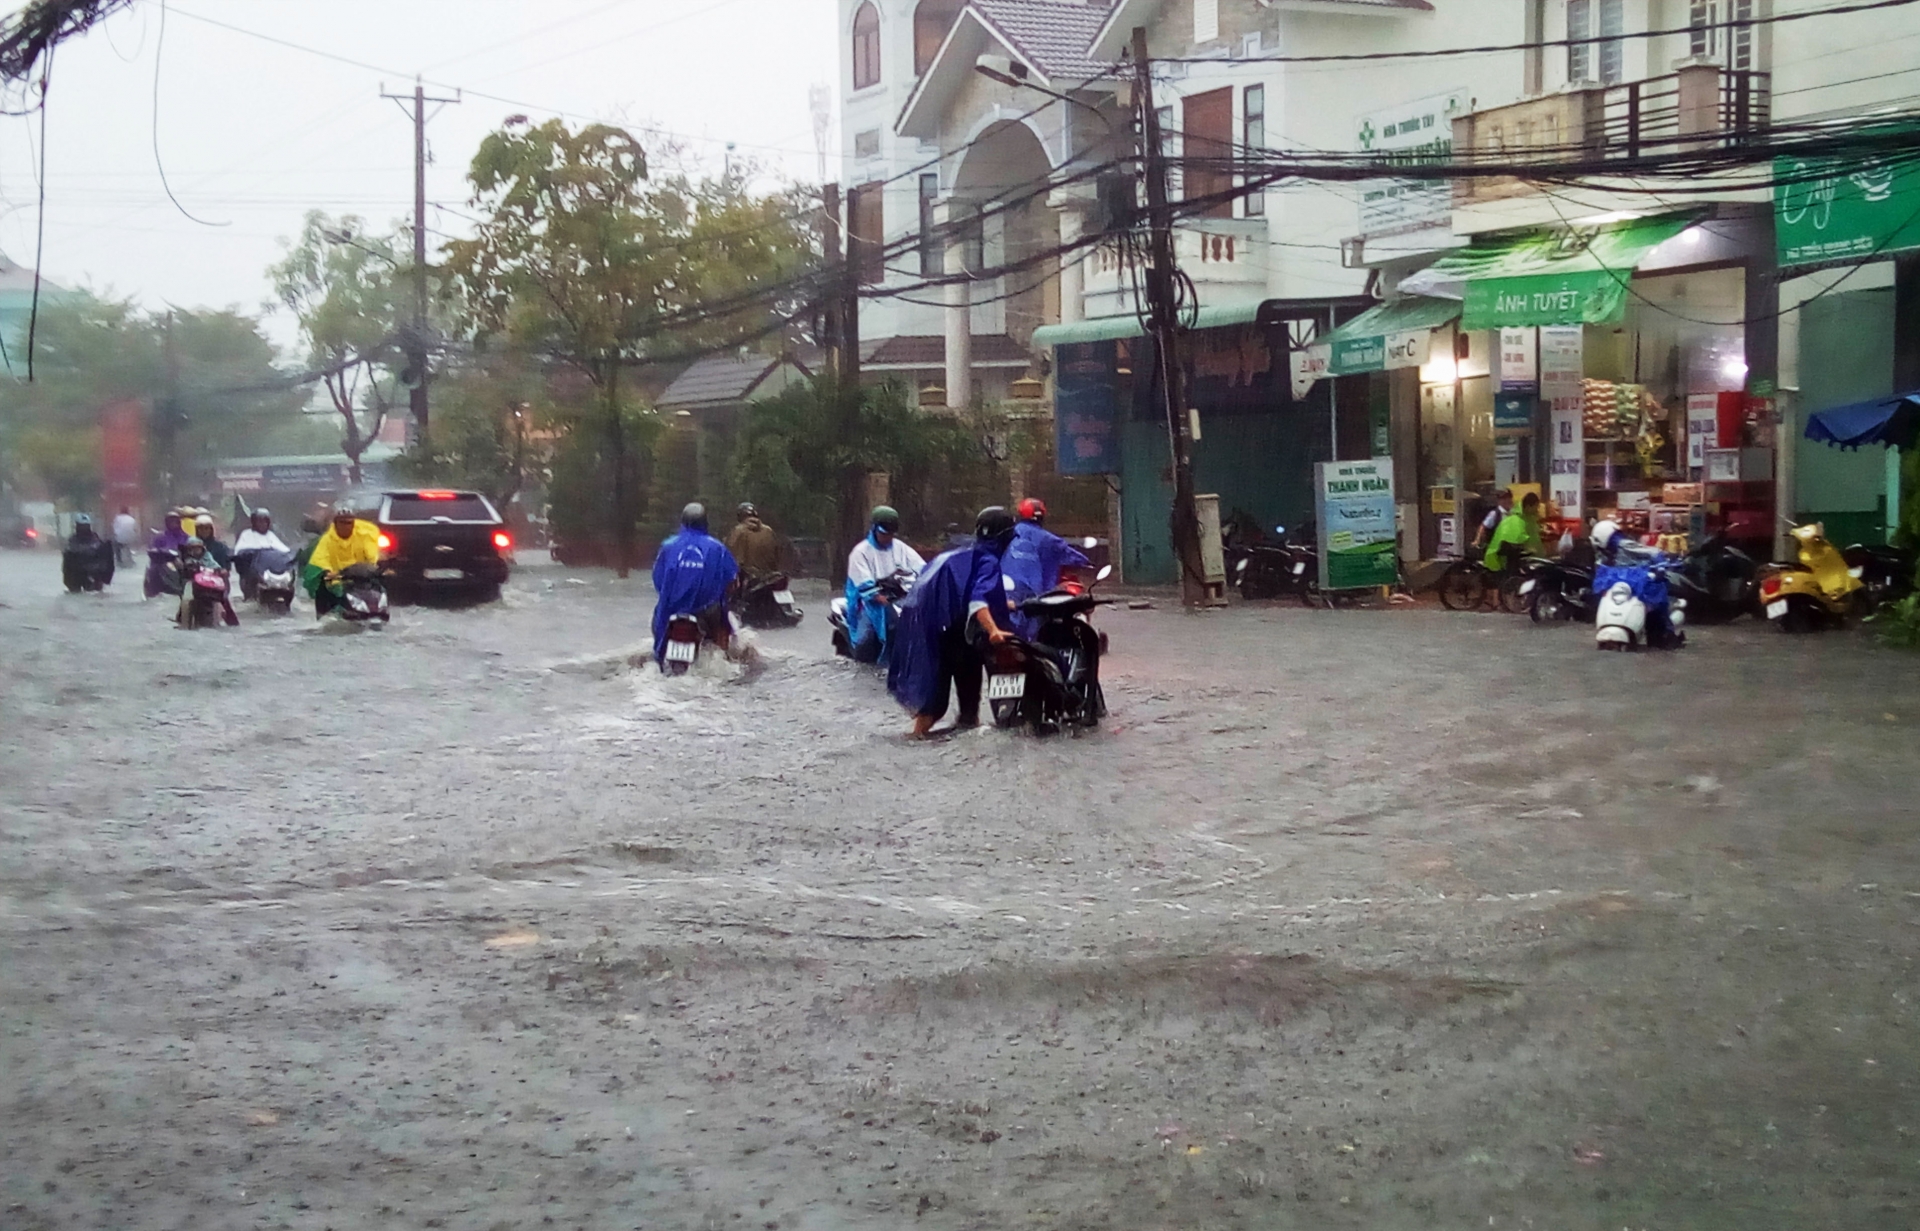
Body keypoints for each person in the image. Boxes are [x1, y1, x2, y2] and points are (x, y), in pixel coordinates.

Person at [886, 506, 1017, 739]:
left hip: (934, 631)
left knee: (934, 699)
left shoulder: (960, 554)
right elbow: (977, 601)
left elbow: (962, 592)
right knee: (966, 708)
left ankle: (919, 735)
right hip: (960, 637)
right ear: (1004, 537)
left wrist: (1003, 605)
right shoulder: (988, 561)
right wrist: (994, 630)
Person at [650, 502, 739, 668]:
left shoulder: (668, 546)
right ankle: (724, 660)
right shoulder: (717, 548)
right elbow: (732, 579)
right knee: (723, 634)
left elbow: (657, 579)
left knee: (658, 625)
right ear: (705, 522)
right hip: (707, 611)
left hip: (671, 610)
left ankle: (659, 656)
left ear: (683, 521)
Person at [844, 505, 926, 665]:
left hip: (901, 598)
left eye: (890, 534)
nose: (887, 537)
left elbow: (921, 568)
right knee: (866, 641)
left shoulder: (901, 548)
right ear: (874, 529)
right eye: (883, 533)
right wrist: (879, 597)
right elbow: (863, 582)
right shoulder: (861, 552)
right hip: (870, 602)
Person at [1003, 497, 1090, 638]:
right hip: (1033, 591)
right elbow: (1074, 557)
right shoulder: (1049, 539)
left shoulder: (1006, 534)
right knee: (1036, 630)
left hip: (1005, 588)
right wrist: (1087, 562)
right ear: (1042, 516)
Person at [304, 503, 382, 618]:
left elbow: (372, 555)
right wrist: (326, 572)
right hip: (337, 580)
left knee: (380, 587)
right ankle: (324, 617)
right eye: (343, 522)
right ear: (335, 523)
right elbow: (320, 559)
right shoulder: (327, 540)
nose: (347, 526)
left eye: (350, 523)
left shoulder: (365, 534)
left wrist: (377, 567)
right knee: (324, 590)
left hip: (362, 578)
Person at [232, 508, 293, 598]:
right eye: (259, 521)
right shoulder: (247, 534)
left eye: (265, 521)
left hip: (270, 570)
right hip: (254, 571)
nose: (262, 524)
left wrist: (291, 556)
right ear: (254, 522)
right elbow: (239, 551)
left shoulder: (271, 535)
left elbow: (284, 550)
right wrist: (249, 553)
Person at [1483, 491, 1544, 572]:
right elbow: (1515, 539)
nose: (1537, 509)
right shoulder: (1516, 520)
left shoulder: (1529, 518)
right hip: (1511, 561)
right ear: (1529, 506)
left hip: (1531, 560)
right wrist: (1528, 548)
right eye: (1536, 506)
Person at [725, 502, 783, 580]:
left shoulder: (738, 531)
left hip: (748, 580)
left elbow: (731, 557)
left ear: (740, 516)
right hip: (769, 577)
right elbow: (777, 554)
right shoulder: (769, 530)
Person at [144, 511, 192, 599]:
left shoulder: (186, 537)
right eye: (171, 521)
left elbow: (193, 549)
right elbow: (152, 548)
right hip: (162, 562)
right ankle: (153, 592)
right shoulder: (160, 537)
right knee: (154, 571)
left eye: (175, 521)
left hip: (182, 563)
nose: (173, 524)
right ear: (166, 523)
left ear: (179, 522)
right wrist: (160, 551)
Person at [62, 514, 116, 591]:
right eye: (82, 526)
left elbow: (106, 559)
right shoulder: (73, 541)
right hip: (78, 575)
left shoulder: (96, 540)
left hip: (92, 574)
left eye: (85, 526)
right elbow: (67, 562)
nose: (84, 528)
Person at [1471, 487, 1514, 553]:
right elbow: (1483, 526)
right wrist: (1477, 540)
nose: (1507, 500)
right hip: (1496, 548)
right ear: (1499, 501)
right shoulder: (1495, 514)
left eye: (1509, 497)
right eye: (1503, 498)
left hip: (1512, 547)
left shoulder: (1514, 513)